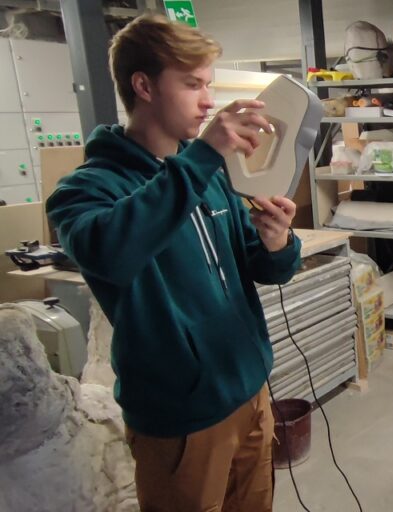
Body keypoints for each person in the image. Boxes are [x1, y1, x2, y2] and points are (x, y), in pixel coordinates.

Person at [46, 14, 301, 512]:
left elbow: (264, 268)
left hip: (250, 394)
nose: (208, 100)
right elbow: (110, 254)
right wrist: (202, 156)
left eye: (208, 84)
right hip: (181, 418)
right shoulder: (85, 191)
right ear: (143, 85)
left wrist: (278, 243)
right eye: (191, 84)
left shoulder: (210, 175)